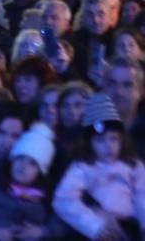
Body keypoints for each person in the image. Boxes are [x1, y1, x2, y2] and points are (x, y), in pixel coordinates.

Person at [53, 93, 145, 239]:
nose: (108, 146)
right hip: (99, 228)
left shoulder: (133, 165)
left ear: (122, 140)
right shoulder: (82, 167)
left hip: (131, 226)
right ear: (90, 143)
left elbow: (142, 195)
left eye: (113, 139)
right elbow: (63, 199)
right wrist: (95, 226)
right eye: (100, 141)